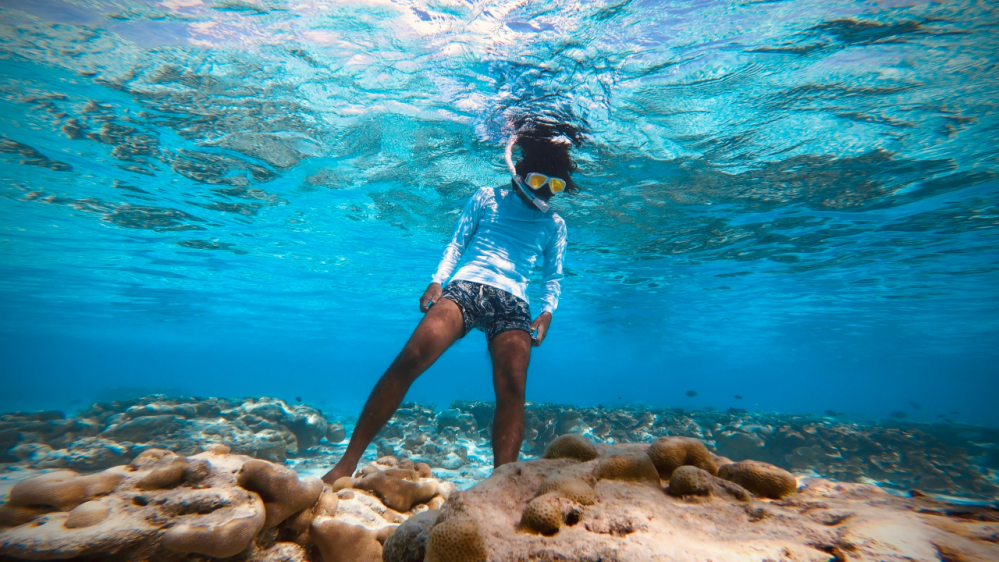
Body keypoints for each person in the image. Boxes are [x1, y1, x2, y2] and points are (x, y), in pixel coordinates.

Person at [322, 122, 576, 484]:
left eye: (556, 186)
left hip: (514, 302)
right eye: (539, 182)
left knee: (513, 388)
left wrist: (548, 310)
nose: (546, 193)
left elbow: (553, 276)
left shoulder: (556, 224)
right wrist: (437, 280)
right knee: (409, 358)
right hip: (466, 287)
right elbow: (457, 244)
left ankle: (501, 486)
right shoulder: (487, 196)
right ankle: (346, 463)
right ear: (519, 174)